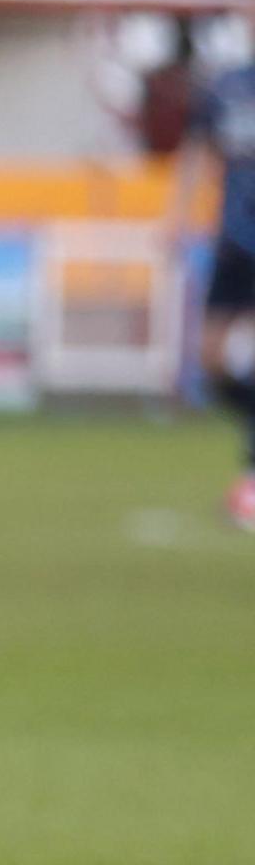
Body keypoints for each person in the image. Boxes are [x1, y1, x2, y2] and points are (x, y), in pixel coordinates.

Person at [176, 26, 255, 532]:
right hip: (233, 243)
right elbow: (198, 154)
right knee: (211, 362)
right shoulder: (228, 85)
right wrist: (178, 214)